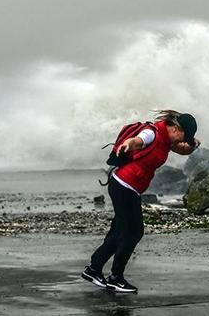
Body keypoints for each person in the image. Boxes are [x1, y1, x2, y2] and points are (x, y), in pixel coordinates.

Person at [81, 110, 200, 293]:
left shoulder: (167, 140)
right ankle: (115, 277)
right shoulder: (152, 133)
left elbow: (183, 150)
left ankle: (94, 269)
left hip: (128, 187)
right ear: (176, 128)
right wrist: (129, 144)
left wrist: (194, 145)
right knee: (133, 232)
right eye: (185, 136)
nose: (183, 140)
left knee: (120, 231)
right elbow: (138, 140)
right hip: (124, 186)